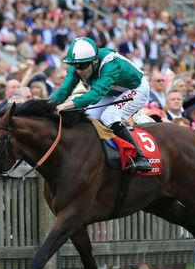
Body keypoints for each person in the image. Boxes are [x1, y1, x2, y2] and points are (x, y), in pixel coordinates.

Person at [51, 37, 152, 172]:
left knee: (109, 116)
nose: (78, 70)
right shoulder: (77, 66)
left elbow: (95, 95)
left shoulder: (110, 64)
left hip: (136, 88)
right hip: (111, 90)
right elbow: (64, 90)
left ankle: (141, 158)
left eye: (82, 66)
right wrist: (48, 105)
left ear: (94, 61)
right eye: (75, 65)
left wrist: (65, 105)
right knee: (89, 116)